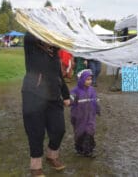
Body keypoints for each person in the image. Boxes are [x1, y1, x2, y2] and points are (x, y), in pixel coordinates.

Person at [22, 32, 71, 176]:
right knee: (36, 132)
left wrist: (66, 95)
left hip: (54, 97)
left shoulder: (55, 53)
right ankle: (35, 166)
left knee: (59, 129)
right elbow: (30, 34)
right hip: (33, 95)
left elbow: (59, 76)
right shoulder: (31, 45)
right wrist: (45, 19)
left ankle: (52, 155)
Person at [70, 69, 101, 157]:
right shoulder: (75, 91)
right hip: (79, 116)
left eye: (90, 79)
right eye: (87, 79)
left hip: (90, 116)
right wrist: (69, 100)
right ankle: (79, 148)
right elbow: (70, 101)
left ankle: (88, 150)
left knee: (89, 132)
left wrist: (97, 108)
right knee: (80, 132)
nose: (89, 81)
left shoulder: (92, 90)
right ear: (81, 79)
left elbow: (95, 100)